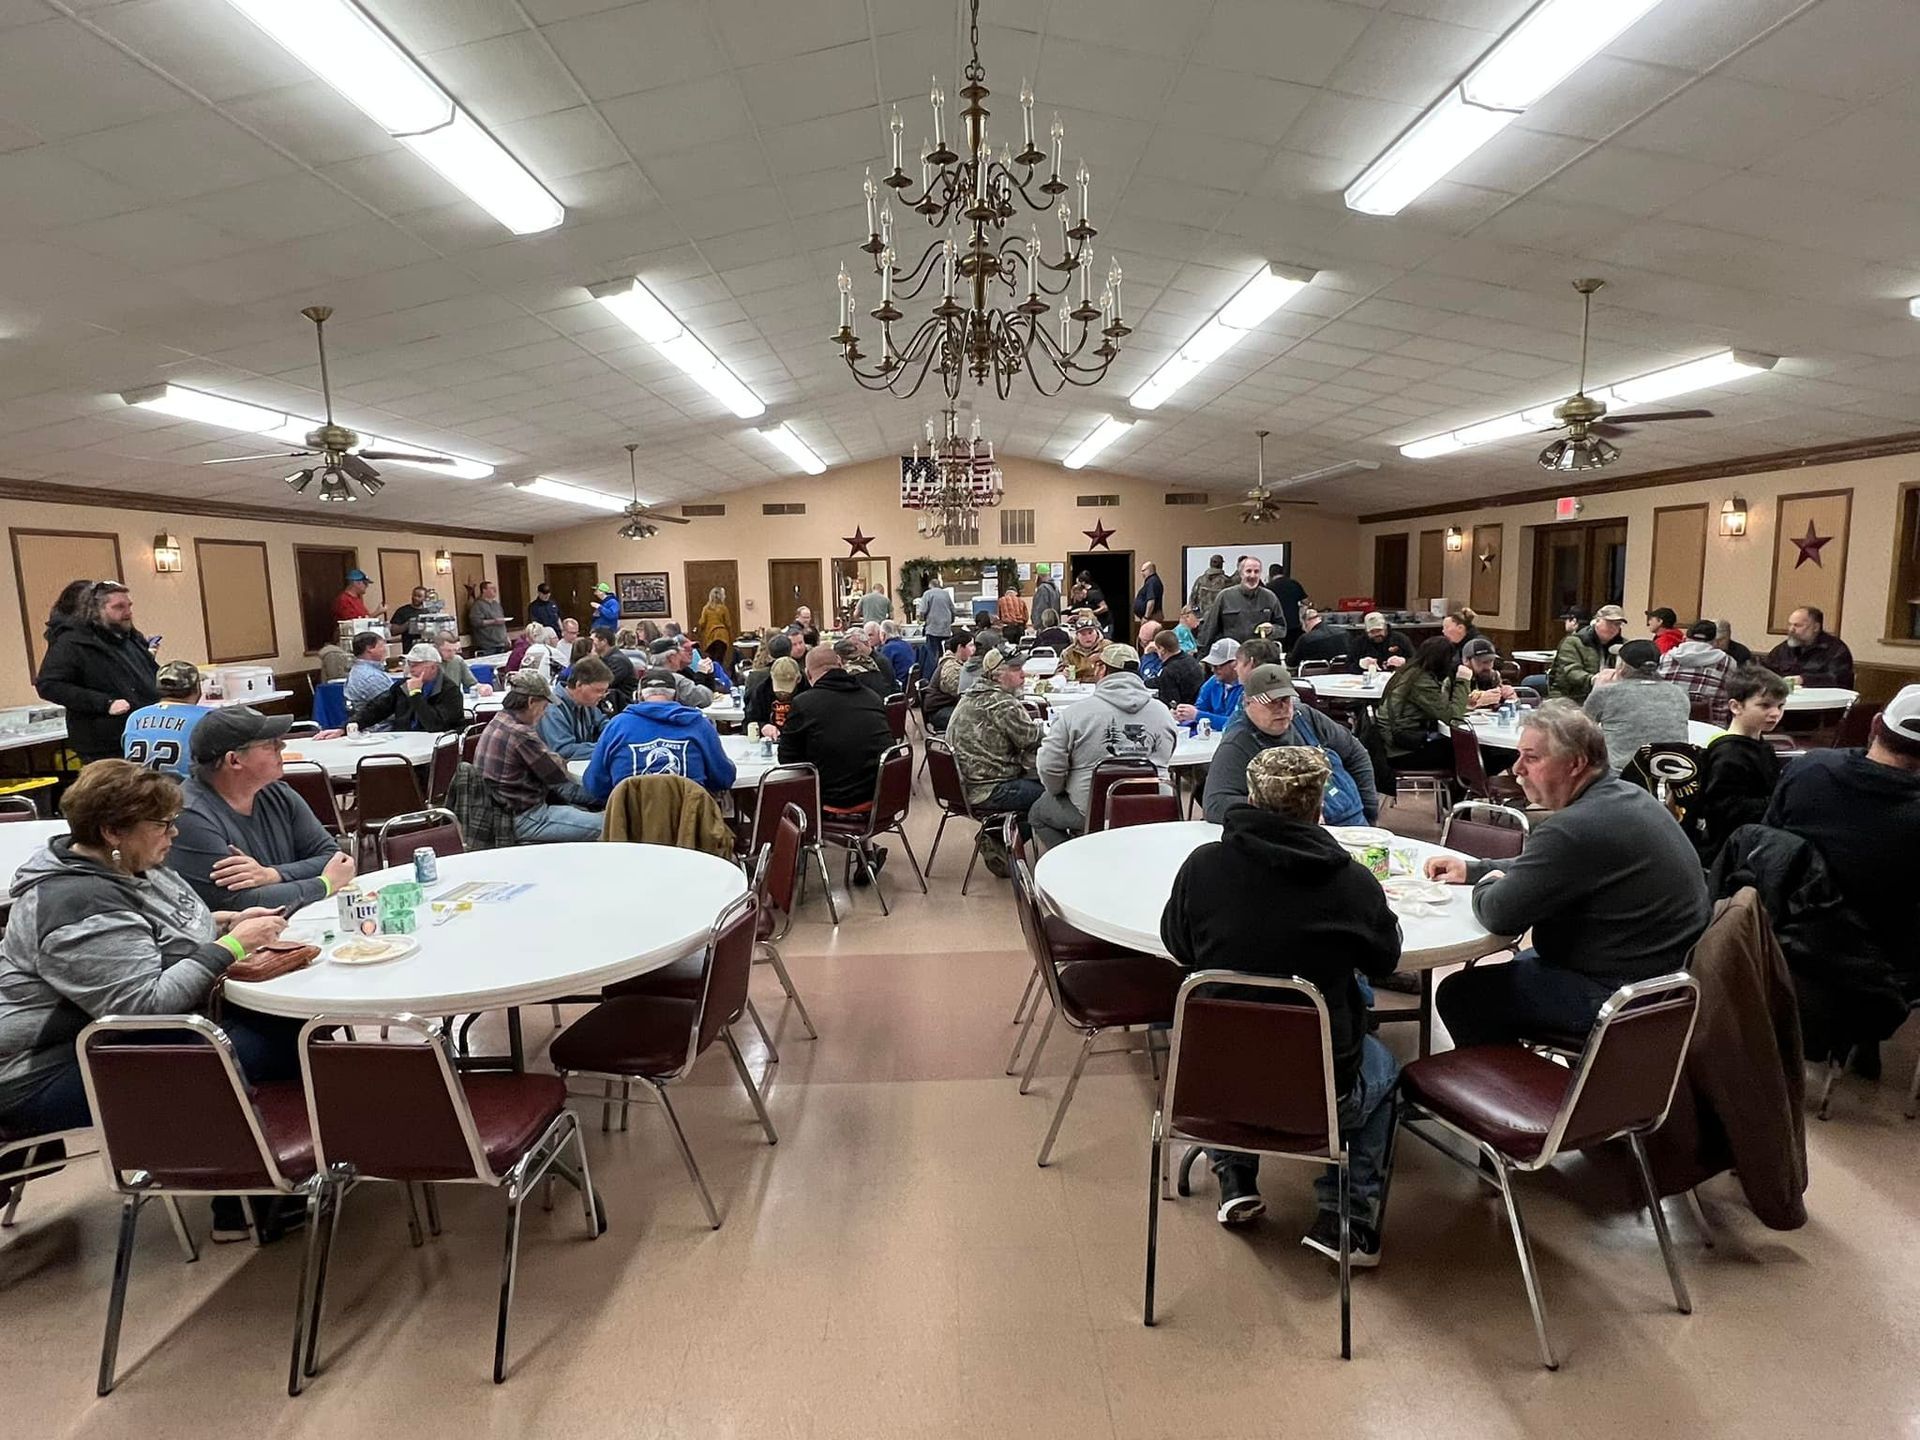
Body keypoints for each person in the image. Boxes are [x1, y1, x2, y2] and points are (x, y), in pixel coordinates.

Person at [1161, 747, 1402, 1257]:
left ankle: (1235, 1179)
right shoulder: (1351, 882)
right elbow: (1385, 960)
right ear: (1320, 804)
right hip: (1320, 1093)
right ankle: (1348, 1222)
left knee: (1231, 1029)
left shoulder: (1203, 866)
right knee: (1387, 1072)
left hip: (1211, 1086)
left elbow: (1179, 945)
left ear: (1250, 796)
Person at [0, 761, 296, 1141]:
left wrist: (225, 922)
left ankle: (260, 1170)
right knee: (279, 1041)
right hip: (43, 1070)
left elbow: (158, 931)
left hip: (107, 1038)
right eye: (161, 824)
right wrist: (233, 945)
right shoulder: (79, 907)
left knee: (285, 1022)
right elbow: (142, 1006)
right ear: (112, 832)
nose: (173, 833)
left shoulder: (128, 863)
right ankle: (249, 1183)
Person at [1425, 701, 1710, 1047]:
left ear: (1575, 764)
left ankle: (1514, 1093)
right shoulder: (1626, 797)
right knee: (1515, 967)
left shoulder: (1574, 828)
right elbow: (1557, 868)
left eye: (1531, 758)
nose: (1516, 769)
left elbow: (1499, 915)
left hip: (1622, 996)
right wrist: (1477, 869)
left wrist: (1486, 884)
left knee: (1461, 993)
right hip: (1668, 978)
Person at [1765, 684, 1920, 1006]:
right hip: (1885, 967)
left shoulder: (1807, 768)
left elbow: (1767, 844)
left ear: (1876, 724)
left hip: (1786, 943)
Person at [170, 707, 355, 912]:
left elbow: (334, 857)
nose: (282, 745)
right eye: (270, 744)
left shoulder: (277, 793)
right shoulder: (190, 816)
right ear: (234, 760)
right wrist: (325, 884)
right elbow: (241, 902)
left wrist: (272, 875)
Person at [1029, 641, 1176, 849]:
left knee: (1037, 813)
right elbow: (1166, 756)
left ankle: (1073, 861)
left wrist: (1058, 790)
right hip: (1151, 808)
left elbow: (1049, 766)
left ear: (1102, 669)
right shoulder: (1163, 714)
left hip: (1090, 811)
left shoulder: (1074, 714)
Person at [1202, 665, 1380, 826]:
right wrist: (1283, 813)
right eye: (1271, 702)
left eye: (1285, 699)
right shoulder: (1237, 742)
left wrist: (1370, 811)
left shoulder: (1305, 716)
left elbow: (1356, 753)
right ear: (1248, 702)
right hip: (1300, 833)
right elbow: (1215, 804)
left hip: (1354, 821)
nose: (1281, 708)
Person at [35, 580, 160, 763]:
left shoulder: (130, 637)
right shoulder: (72, 642)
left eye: (129, 606)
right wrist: (105, 703)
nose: (128, 613)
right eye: (119, 607)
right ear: (96, 610)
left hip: (142, 734)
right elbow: (49, 685)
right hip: (103, 744)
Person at [474, 671, 604, 842]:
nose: (544, 714)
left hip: (498, 812)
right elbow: (558, 774)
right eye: (544, 707)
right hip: (524, 818)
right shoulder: (521, 734)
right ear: (531, 702)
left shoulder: (499, 719)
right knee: (608, 824)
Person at [946, 648, 1045, 863]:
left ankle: (999, 833)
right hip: (990, 788)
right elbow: (1033, 739)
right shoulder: (1002, 703)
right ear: (998, 674)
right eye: (1016, 669)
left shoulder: (971, 695)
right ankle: (997, 838)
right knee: (1053, 797)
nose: (1023, 675)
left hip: (964, 785)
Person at [582, 668, 736, 803]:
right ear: (676, 696)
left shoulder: (616, 726)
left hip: (628, 829)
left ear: (639, 696)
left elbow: (594, 785)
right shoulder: (699, 725)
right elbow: (723, 778)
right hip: (690, 827)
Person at [778, 648, 894, 817]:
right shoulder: (872, 697)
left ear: (807, 674)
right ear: (840, 664)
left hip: (837, 798)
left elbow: (787, 759)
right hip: (883, 793)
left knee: (778, 791)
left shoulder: (804, 704)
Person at [1690, 665, 1788, 863]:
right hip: (1731, 849)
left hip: (1757, 837)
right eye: (1765, 705)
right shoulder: (1728, 754)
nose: (1775, 713)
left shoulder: (1762, 747)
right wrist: (1778, 802)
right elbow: (1724, 810)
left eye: (1780, 706)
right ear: (1736, 707)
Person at [1583, 638, 1689, 773]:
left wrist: (1598, 687)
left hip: (1622, 776)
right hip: (1674, 774)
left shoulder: (1606, 693)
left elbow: (1582, 732)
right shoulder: (1679, 693)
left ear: (1621, 667)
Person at [1375, 636, 1470, 771]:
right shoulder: (1421, 681)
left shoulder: (1409, 672)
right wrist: (1463, 681)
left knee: (1459, 748)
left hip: (1395, 742)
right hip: (1402, 750)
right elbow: (1452, 717)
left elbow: (1438, 705)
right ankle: (1466, 791)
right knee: (1467, 752)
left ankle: (1462, 790)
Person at [120, 660, 209, 777]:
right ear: (197, 688)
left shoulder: (135, 717)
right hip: (185, 791)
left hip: (140, 789)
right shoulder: (207, 717)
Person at [355, 642, 464, 733]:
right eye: (410, 664)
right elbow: (377, 708)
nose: (411, 669)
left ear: (433, 667)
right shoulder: (402, 686)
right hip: (404, 741)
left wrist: (416, 694)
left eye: (416, 664)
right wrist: (351, 725)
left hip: (438, 746)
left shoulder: (450, 691)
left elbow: (435, 726)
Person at [536, 654, 613, 760]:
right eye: (599, 691)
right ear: (579, 685)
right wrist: (607, 747)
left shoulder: (587, 703)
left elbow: (604, 724)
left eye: (605, 691)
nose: (603, 696)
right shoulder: (552, 708)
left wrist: (618, 736)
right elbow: (564, 750)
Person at [1658, 619, 1738, 720]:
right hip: (1713, 728)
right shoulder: (1728, 663)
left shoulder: (1665, 658)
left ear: (1684, 639)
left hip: (1669, 721)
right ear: (1715, 642)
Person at [1197, 556, 1283, 648]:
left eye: (1256, 571)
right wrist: (1203, 657)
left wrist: (1272, 629)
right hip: (1232, 656)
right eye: (1248, 571)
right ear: (1241, 574)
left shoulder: (1270, 597)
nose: (1252, 575)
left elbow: (1282, 628)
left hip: (1260, 655)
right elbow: (1210, 628)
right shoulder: (1225, 596)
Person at [1548, 602, 1625, 702]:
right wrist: (1593, 680)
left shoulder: (1622, 646)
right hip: (1571, 697)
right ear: (1597, 621)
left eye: (1618, 624)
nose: (1614, 628)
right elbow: (1571, 671)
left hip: (1608, 698)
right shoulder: (1574, 642)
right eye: (1609, 623)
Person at [1765, 605, 1854, 690]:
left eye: (1797, 625)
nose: (1791, 629)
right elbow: (1766, 672)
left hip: (1821, 702)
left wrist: (1803, 680)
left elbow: (1840, 680)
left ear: (1815, 627)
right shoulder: (1783, 649)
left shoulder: (1835, 649)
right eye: (1790, 624)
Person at [1178, 640, 1241, 731]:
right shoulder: (1213, 681)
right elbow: (1200, 708)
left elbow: (1236, 724)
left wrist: (1197, 715)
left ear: (1235, 663)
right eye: (1211, 665)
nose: (1213, 670)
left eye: (1218, 666)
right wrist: (1184, 714)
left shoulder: (1249, 686)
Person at [645, 636, 714, 709]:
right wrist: (702, 674)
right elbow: (706, 698)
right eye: (678, 654)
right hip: (675, 719)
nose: (680, 657)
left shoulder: (644, 678)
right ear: (671, 658)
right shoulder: (677, 680)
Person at [922, 632, 973, 732]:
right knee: (972, 719)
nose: (974, 649)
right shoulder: (950, 668)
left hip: (948, 706)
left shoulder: (959, 664)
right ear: (960, 648)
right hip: (939, 711)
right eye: (971, 645)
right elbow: (958, 692)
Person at [748, 656, 805, 734]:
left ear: (798, 679)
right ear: (772, 677)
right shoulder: (761, 691)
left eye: (786, 691)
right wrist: (763, 726)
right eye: (779, 692)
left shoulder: (807, 691)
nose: (782, 694)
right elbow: (749, 721)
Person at [1149, 629, 1204, 709]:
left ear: (1162, 650)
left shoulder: (1169, 671)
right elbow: (1158, 681)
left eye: (1157, 649)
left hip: (1183, 713)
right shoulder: (1191, 660)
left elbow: (1169, 704)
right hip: (1199, 707)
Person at [343, 630, 393, 715]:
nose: (385, 649)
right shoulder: (371, 677)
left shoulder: (358, 670)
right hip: (382, 727)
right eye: (381, 646)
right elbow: (393, 707)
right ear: (369, 649)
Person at [1346, 611, 1415, 671]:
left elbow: (1416, 661)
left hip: (1395, 677)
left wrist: (1404, 662)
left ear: (1385, 627)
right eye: (1372, 632)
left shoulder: (1400, 639)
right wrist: (1360, 665)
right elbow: (1347, 666)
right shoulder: (1359, 642)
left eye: (1379, 630)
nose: (1376, 634)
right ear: (1366, 632)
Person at [1459, 637, 1515, 708]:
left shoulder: (1493, 676)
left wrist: (1510, 698)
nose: (1488, 667)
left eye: (1491, 661)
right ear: (1466, 661)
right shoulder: (1456, 678)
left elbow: (1503, 706)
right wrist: (1475, 703)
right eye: (1483, 662)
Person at [589, 626, 637, 710]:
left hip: (619, 704)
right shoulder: (605, 658)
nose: (590, 645)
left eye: (593, 641)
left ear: (604, 641)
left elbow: (606, 682)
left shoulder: (618, 661)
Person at [836, 636, 894, 703]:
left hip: (867, 709)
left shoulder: (848, 675)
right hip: (881, 707)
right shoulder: (871, 664)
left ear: (838, 658)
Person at [1267, 562, 1308, 640]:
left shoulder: (1268, 588)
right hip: (1294, 625)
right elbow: (1305, 601)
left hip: (1278, 627)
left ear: (1270, 575)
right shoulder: (1294, 583)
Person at [1061, 613, 1106, 683]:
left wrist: (1103, 657)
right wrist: (1063, 675)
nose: (1088, 637)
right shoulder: (1068, 653)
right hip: (1077, 689)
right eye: (1083, 634)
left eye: (1090, 633)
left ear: (1097, 632)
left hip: (1103, 686)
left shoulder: (1109, 648)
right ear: (1077, 636)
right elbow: (1058, 675)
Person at [467, 580, 507, 653]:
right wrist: (494, 621)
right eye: (491, 588)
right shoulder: (477, 605)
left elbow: (502, 622)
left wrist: (506, 637)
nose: (495, 590)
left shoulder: (496, 604)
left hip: (501, 643)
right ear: (484, 590)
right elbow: (476, 622)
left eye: (494, 588)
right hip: (487, 645)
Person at [698, 586, 734, 656]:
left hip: (710, 636)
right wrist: (731, 637)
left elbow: (702, 622)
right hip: (722, 636)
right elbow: (728, 623)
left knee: (711, 657)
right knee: (720, 657)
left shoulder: (706, 609)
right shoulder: (723, 608)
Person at [1133, 560, 1164, 628]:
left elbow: (1151, 601)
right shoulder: (1152, 581)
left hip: (1151, 617)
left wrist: (1146, 617)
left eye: (1143, 570)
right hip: (1151, 617)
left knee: (1147, 637)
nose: (1141, 573)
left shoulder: (1152, 582)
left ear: (1150, 570)